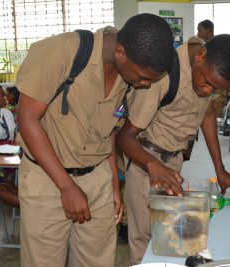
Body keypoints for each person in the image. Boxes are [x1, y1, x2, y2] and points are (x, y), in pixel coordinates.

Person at [15, 13, 174, 267]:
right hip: (48, 181)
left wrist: (112, 183)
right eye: (143, 78)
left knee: (97, 261)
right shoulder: (61, 51)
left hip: (97, 178)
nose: (144, 85)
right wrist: (67, 187)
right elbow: (26, 119)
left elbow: (108, 130)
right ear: (120, 52)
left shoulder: (128, 76)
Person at [116, 34, 230, 264]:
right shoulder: (164, 76)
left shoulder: (207, 73)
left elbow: (206, 113)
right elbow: (124, 137)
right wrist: (153, 165)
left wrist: (220, 169)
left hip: (173, 162)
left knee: (170, 235)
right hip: (146, 163)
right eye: (207, 83)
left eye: (216, 90)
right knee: (146, 239)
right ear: (199, 56)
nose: (208, 91)